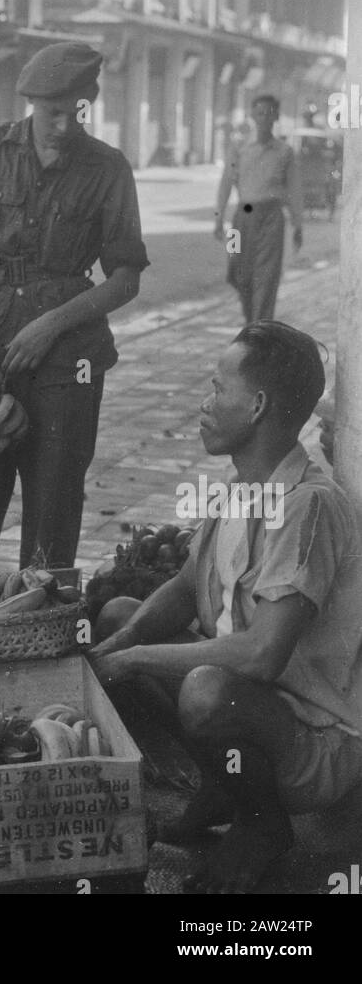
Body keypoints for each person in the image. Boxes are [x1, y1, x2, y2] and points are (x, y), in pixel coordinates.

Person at [90, 322, 362, 895]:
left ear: (258, 405)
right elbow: (188, 587)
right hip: (258, 713)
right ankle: (226, 785)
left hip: (315, 740)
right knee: (118, 613)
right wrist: (122, 641)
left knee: (205, 689)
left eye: (218, 389)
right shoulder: (243, 487)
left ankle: (264, 825)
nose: (205, 403)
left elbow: (263, 656)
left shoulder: (307, 505)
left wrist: (138, 658)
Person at [0, 41, 148, 578]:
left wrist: (52, 323)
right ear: (30, 103)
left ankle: (38, 641)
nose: (65, 125)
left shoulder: (109, 169)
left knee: (53, 510)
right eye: (53, 112)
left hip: (65, 361)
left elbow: (126, 279)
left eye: (77, 112)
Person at [215, 93, 303, 323]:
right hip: (240, 220)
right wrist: (218, 218)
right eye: (259, 113)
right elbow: (225, 183)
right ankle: (251, 322)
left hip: (272, 219)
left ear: (276, 116)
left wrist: (298, 224)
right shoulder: (239, 148)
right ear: (253, 116)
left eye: (269, 113)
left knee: (266, 277)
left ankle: (259, 330)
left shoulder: (285, 152)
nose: (264, 118)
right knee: (236, 272)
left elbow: (294, 189)